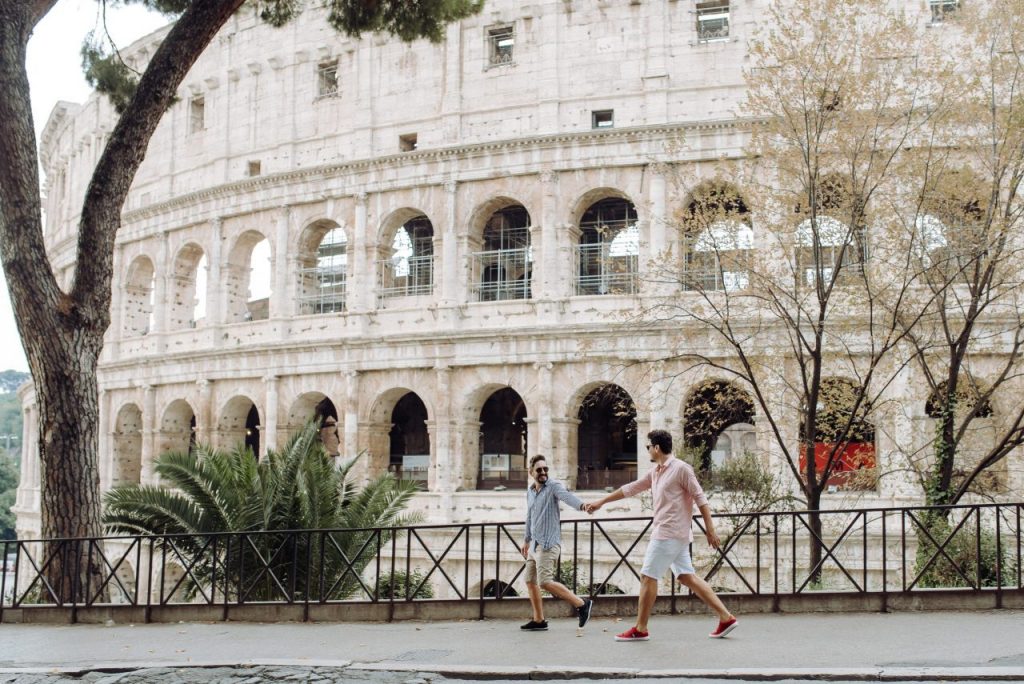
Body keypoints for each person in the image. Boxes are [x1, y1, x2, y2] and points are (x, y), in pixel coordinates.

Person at [586, 429, 737, 641]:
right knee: (686, 576)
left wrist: (710, 530)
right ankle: (726, 617)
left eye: (648, 446)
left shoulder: (681, 469)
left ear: (656, 448)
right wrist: (601, 502)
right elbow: (630, 488)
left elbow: (700, 498)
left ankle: (641, 628)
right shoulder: (656, 471)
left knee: (648, 576)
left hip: (669, 533)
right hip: (672, 533)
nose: (647, 449)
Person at [519, 454, 594, 631]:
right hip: (535, 545)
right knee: (530, 580)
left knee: (544, 581)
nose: (543, 472)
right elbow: (530, 517)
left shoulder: (553, 486)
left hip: (548, 544)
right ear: (531, 472)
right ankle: (539, 620)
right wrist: (526, 540)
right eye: (539, 470)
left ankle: (582, 604)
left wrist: (582, 506)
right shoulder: (530, 492)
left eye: (545, 469)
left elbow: (567, 497)